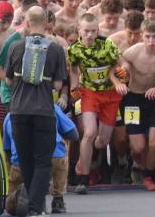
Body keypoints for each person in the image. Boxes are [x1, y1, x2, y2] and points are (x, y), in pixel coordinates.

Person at [4, 7, 68, 216]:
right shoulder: (56, 48)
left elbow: (8, 80)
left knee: (25, 160)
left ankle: (35, 205)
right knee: (42, 161)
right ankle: (34, 208)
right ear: (48, 23)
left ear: (27, 22)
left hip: (19, 110)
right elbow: (58, 85)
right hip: (43, 111)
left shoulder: (15, 46)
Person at [68, 13, 123, 194]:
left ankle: (89, 156)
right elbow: (74, 68)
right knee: (89, 132)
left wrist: (119, 79)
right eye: (86, 31)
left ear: (98, 30)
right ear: (79, 31)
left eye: (93, 31)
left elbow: (118, 66)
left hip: (110, 94)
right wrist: (74, 84)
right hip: (89, 92)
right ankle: (83, 178)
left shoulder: (107, 45)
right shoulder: (74, 49)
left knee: (102, 140)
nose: (90, 35)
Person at [116, 19, 155, 191]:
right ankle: (135, 163)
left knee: (154, 143)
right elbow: (118, 69)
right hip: (133, 99)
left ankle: (148, 175)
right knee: (138, 146)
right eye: (148, 37)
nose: (151, 41)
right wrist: (122, 77)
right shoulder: (132, 52)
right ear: (142, 37)